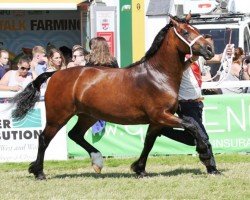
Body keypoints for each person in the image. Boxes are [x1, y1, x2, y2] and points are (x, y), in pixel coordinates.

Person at [159, 38, 234, 174]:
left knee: (192, 139)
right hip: (185, 104)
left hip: (197, 104)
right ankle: (211, 168)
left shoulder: (199, 58)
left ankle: (163, 130)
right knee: (202, 137)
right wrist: (192, 59)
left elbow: (218, 57)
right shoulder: (178, 58)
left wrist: (227, 53)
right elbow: (180, 69)